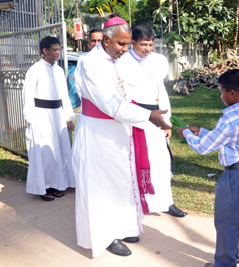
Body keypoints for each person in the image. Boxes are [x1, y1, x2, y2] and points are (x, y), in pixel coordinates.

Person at [72, 17, 171, 258]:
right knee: (101, 186)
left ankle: (123, 227)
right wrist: (147, 116)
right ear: (106, 40)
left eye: (127, 45)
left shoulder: (113, 59)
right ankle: (106, 234)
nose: (125, 50)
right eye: (121, 44)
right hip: (98, 132)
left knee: (122, 180)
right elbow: (109, 103)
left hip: (118, 130)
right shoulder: (90, 63)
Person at [177, 69, 239, 267]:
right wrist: (203, 131)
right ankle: (238, 252)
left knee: (225, 222)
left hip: (234, 175)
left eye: (221, 91)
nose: (221, 96)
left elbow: (203, 147)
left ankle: (225, 264)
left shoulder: (228, 119)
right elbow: (228, 138)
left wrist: (187, 134)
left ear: (231, 92)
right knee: (234, 215)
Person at [119, 25, 187, 217]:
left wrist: (167, 120)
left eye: (150, 44)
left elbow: (161, 91)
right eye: (143, 44)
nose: (147, 48)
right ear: (133, 43)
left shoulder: (158, 60)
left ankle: (166, 201)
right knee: (137, 161)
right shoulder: (123, 61)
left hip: (158, 118)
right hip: (136, 116)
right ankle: (138, 202)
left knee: (162, 161)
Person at [22, 36, 75, 201]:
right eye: (55, 49)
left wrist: (68, 117)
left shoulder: (59, 70)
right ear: (44, 51)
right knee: (44, 153)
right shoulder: (35, 70)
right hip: (41, 116)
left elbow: (64, 96)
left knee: (60, 151)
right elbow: (28, 95)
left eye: (59, 49)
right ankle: (43, 187)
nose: (58, 52)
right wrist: (32, 119)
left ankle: (58, 184)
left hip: (58, 115)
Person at [74, 28, 103, 99]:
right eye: (93, 41)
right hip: (89, 102)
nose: (96, 44)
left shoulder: (111, 58)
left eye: (99, 40)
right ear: (89, 41)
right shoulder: (82, 58)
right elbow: (78, 82)